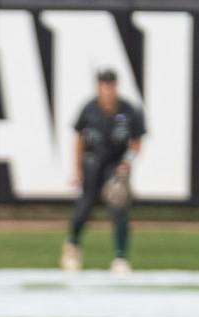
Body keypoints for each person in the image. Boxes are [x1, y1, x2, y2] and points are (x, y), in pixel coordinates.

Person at [63, 69, 145, 275]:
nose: (108, 89)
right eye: (104, 84)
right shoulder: (90, 109)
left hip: (115, 165)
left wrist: (128, 162)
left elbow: (136, 142)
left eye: (111, 84)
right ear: (99, 86)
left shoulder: (127, 110)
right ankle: (72, 247)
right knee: (84, 207)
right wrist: (77, 169)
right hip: (92, 163)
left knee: (118, 208)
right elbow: (80, 139)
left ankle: (120, 257)